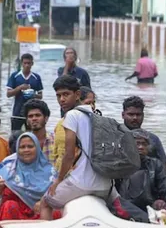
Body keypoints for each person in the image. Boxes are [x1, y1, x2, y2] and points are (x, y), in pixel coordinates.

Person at [40, 75, 119, 220]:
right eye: (58, 96)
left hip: (82, 184)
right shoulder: (97, 116)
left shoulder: (71, 116)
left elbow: (69, 154)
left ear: (77, 95)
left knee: (45, 203)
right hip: (105, 186)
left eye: (66, 94)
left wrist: (58, 180)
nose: (61, 99)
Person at [0, 100, 55, 197]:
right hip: (9, 190)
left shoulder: (56, 142)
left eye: (37, 115)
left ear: (46, 118)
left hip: (47, 189)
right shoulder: (18, 146)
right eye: (30, 116)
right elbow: (8, 168)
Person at [0, 132, 59, 221]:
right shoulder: (9, 169)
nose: (26, 150)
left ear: (38, 148)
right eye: (22, 147)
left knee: (53, 211)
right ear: (17, 149)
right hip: (12, 218)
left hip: (40, 217)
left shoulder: (50, 172)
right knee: (10, 205)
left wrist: (44, 202)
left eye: (30, 146)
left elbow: (59, 196)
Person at [119, 129, 166, 223]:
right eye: (137, 144)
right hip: (126, 205)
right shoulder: (120, 165)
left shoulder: (155, 165)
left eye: (144, 144)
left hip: (149, 205)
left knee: (161, 204)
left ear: (148, 147)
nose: (140, 147)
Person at [122, 96, 166, 168]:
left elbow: (164, 168)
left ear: (143, 115)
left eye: (138, 114)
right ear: (123, 115)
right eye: (131, 114)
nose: (135, 118)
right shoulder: (115, 136)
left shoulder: (153, 139)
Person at [7, 53, 43, 131]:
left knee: (31, 135)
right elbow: (8, 94)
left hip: (31, 113)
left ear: (32, 64)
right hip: (17, 112)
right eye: (25, 63)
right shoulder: (15, 76)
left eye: (29, 63)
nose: (27, 65)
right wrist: (19, 88)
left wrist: (33, 95)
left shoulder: (36, 77)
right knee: (15, 135)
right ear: (21, 63)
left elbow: (40, 96)